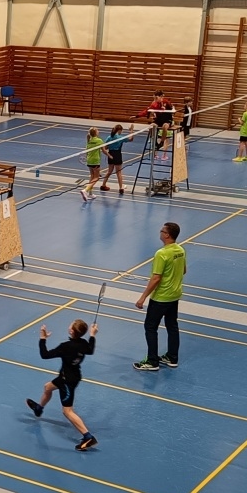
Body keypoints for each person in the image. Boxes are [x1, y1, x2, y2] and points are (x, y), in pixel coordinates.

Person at [26, 320, 98, 451]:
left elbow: (45, 355)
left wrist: (43, 338)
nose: (69, 324)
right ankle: (38, 409)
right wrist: (92, 335)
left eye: (71, 324)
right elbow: (90, 350)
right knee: (48, 387)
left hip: (67, 381)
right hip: (72, 375)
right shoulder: (83, 343)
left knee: (67, 411)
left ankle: (88, 437)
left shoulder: (66, 346)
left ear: (72, 331)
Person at [134, 222, 185, 372]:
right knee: (172, 326)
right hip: (174, 295)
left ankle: (152, 361)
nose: (160, 232)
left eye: (162, 231)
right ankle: (172, 357)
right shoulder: (181, 250)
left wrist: (142, 297)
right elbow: (183, 270)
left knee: (150, 327)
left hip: (161, 298)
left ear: (167, 235)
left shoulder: (161, 253)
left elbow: (156, 278)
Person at [102, 124, 129, 194]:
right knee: (118, 172)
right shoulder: (120, 137)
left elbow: (105, 148)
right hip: (117, 154)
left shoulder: (109, 137)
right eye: (121, 131)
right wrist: (131, 130)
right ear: (119, 130)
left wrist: (109, 151)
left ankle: (103, 184)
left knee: (109, 171)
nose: (121, 132)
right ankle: (121, 188)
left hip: (110, 154)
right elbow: (131, 139)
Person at [83, 129, 104, 200]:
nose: (99, 131)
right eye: (97, 130)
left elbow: (87, 152)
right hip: (95, 161)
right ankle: (85, 190)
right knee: (96, 177)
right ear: (95, 133)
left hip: (89, 161)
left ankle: (90, 193)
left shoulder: (89, 141)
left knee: (92, 176)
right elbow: (104, 150)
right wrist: (109, 155)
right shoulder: (99, 140)